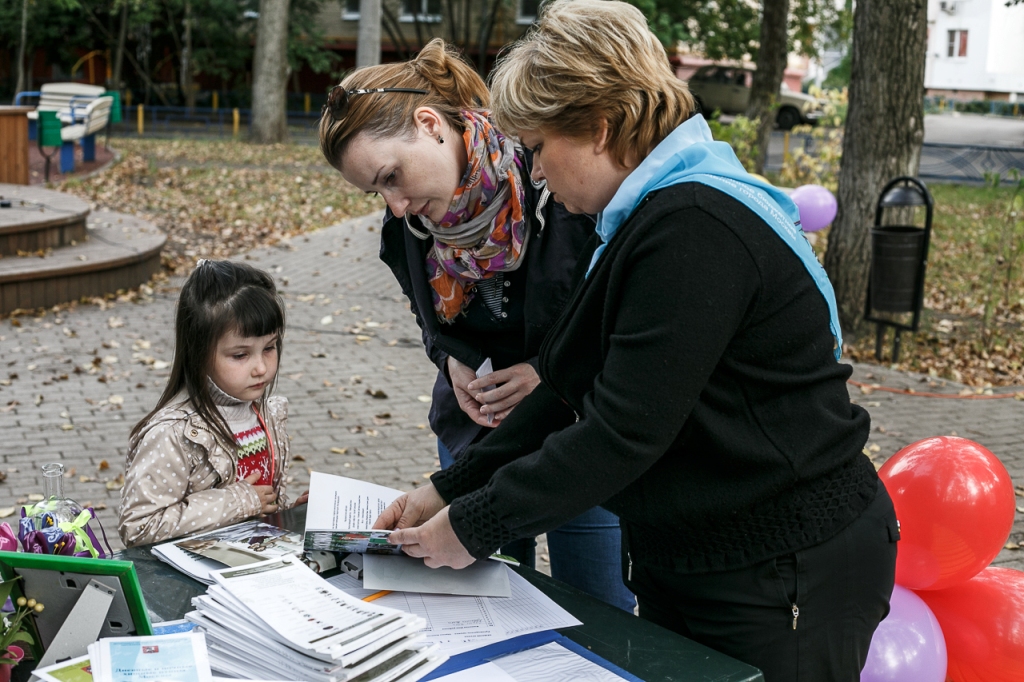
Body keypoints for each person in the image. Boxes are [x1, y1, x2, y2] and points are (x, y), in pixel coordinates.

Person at [372, 2, 899, 680]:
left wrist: (472, 525)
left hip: (781, 561)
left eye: (536, 149)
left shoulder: (692, 229)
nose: (533, 174)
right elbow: (564, 389)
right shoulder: (643, 217)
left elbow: (622, 430)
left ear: (599, 126)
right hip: (701, 554)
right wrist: (448, 489)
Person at [317, 38, 634, 611]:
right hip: (474, 444)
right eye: (376, 191)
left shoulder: (557, 181)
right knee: (486, 609)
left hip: (578, 436)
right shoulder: (408, 228)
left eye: (391, 176)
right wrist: (451, 359)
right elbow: (428, 316)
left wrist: (546, 374)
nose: (393, 204)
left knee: (598, 612)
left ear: (430, 123)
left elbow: (619, 316)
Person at [119, 260, 306, 547]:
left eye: (269, 348)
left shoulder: (265, 413)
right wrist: (239, 500)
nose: (260, 367)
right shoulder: (172, 433)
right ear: (199, 354)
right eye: (240, 355)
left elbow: (260, 506)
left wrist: (291, 515)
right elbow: (139, 526)